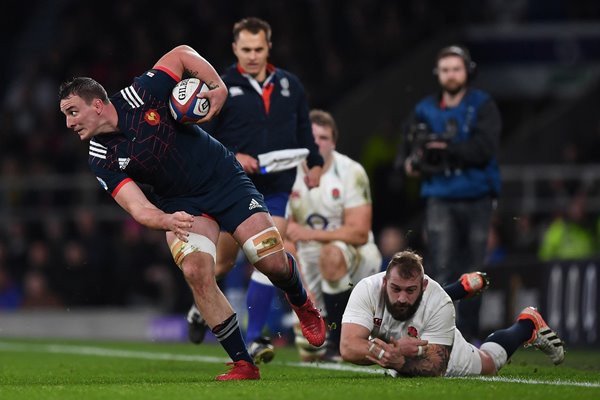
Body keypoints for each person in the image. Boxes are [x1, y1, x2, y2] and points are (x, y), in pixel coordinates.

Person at [58, 44, 326, 381]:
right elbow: (138, 207)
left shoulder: (142, 93)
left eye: (72, 112)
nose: (68, 123)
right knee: (197, 272)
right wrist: (167, 220)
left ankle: (302, 303)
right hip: (181, 204)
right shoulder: (100, 156)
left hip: (225, 179)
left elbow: (183, 53)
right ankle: (244, 364)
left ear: (97, 105)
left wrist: (218, 88)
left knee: (269, 260)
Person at [186, 17, 323, 363]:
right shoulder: (220, 86)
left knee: (269, 254)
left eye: (258, 49)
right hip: (232, 184)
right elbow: (199, 138)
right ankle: (200, 306)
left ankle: (255, 336)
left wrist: (316, 163)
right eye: (245, 49)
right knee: (222, 264)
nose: (252, 55)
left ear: (269, 47)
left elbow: (304, 131)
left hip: (276, 184)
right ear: (235, 49)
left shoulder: (290, 85)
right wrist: (234, 155)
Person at [398, 45, 502, 342]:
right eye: (445, 70)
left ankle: (470, 332)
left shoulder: (483, 105)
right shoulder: (423, 108)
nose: (451, 75)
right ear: (437, 74)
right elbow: (405, 149)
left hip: (477, 196)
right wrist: (409, 163)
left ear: (467, 71)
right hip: (440, 196)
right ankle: (445, 334)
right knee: (441, 264)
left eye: (456, 69)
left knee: (474, 269)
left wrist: (445, 150)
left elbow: (486, 148)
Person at [340, 250, 565, 377]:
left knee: (488, 365)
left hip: (431, 340)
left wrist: (399, 361)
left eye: (410, 290)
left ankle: (527, 325)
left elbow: (437, 366)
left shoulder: (439, 302)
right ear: (384, 281)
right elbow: (348, 346)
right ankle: (460, 287)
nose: (401, 297)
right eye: (395, 288)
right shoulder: (367, 288)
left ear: (424, 286)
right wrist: (395, 352)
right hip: (403, 339)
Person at [285, 109, 381, 361]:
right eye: (310, 136)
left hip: (355, 255)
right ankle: (260, 338)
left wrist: (308, 233)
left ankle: (340, 341)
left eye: (324, 138)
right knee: (308, 356)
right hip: (310, 260)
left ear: (334, 142)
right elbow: (284, 235)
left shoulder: (351, 171)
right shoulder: (287, 172)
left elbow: (359, 232)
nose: (316, 143)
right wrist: (301, 289)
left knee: (331, 253)